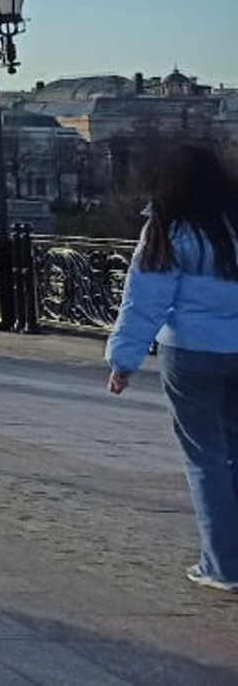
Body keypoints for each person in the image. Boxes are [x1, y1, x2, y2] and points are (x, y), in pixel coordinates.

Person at [104, 145, 238, 593]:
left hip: (192, 353)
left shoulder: (167, 229)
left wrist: (123, 361)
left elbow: (144, 302)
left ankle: (222, 565)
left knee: (206, 458)